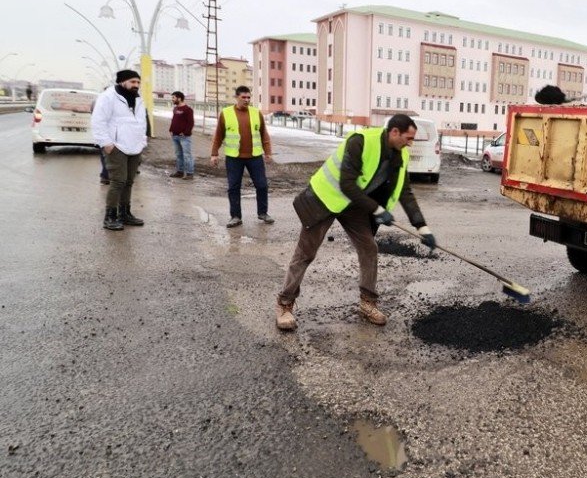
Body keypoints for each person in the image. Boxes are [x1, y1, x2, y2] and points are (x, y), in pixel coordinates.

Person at [275, 114, 436, 330]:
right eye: (408, 138)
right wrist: (377, 209)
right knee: (306, 252)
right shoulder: (361, 141)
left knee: (369, 247)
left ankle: (367, 302)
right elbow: (346, 184)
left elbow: (405, 192)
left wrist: (422, 227)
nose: (411, 143)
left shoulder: (400, 155)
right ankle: (284, 304)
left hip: (353, 204)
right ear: (395, 132)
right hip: (327, 198)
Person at [91, 70, 148, 231]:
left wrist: (142, 140)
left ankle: (125, 214)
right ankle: (110, 216)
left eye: (138, 82)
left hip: (135, 145)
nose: (136, 85)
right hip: (116, 146)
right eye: (132, 82)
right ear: (122, 82)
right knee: (118, 181)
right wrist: (106, 143)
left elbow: (142, 122)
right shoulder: (108, 97)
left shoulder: (138, 99)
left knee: (129, 181)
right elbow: (98, 121)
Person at [210, 86, 274, 227]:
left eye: (248, 97)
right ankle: (236, 217)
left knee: (262, 185)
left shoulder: (256, 113)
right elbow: (218, 135)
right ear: (236, 97)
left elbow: (264, 134)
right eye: (243, 97)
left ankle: (263, 213)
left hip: (254, 156)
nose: (246, 100)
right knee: (233, 187)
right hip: (234, 157)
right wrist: (214, 154)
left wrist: (268, 152)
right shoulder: (226, 113)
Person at [169, 91, 195, 180]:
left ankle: (189, 173)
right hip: (175, 136)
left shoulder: (188, 109)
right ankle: (179, 172)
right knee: (178, 155)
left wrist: (185, 133)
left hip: (184, 137)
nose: (172, 99)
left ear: (179, 98)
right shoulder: (175, 109)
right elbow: (174, 120)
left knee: (187, 155)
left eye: (173, 98)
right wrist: (171, 130)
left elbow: (190, 123)